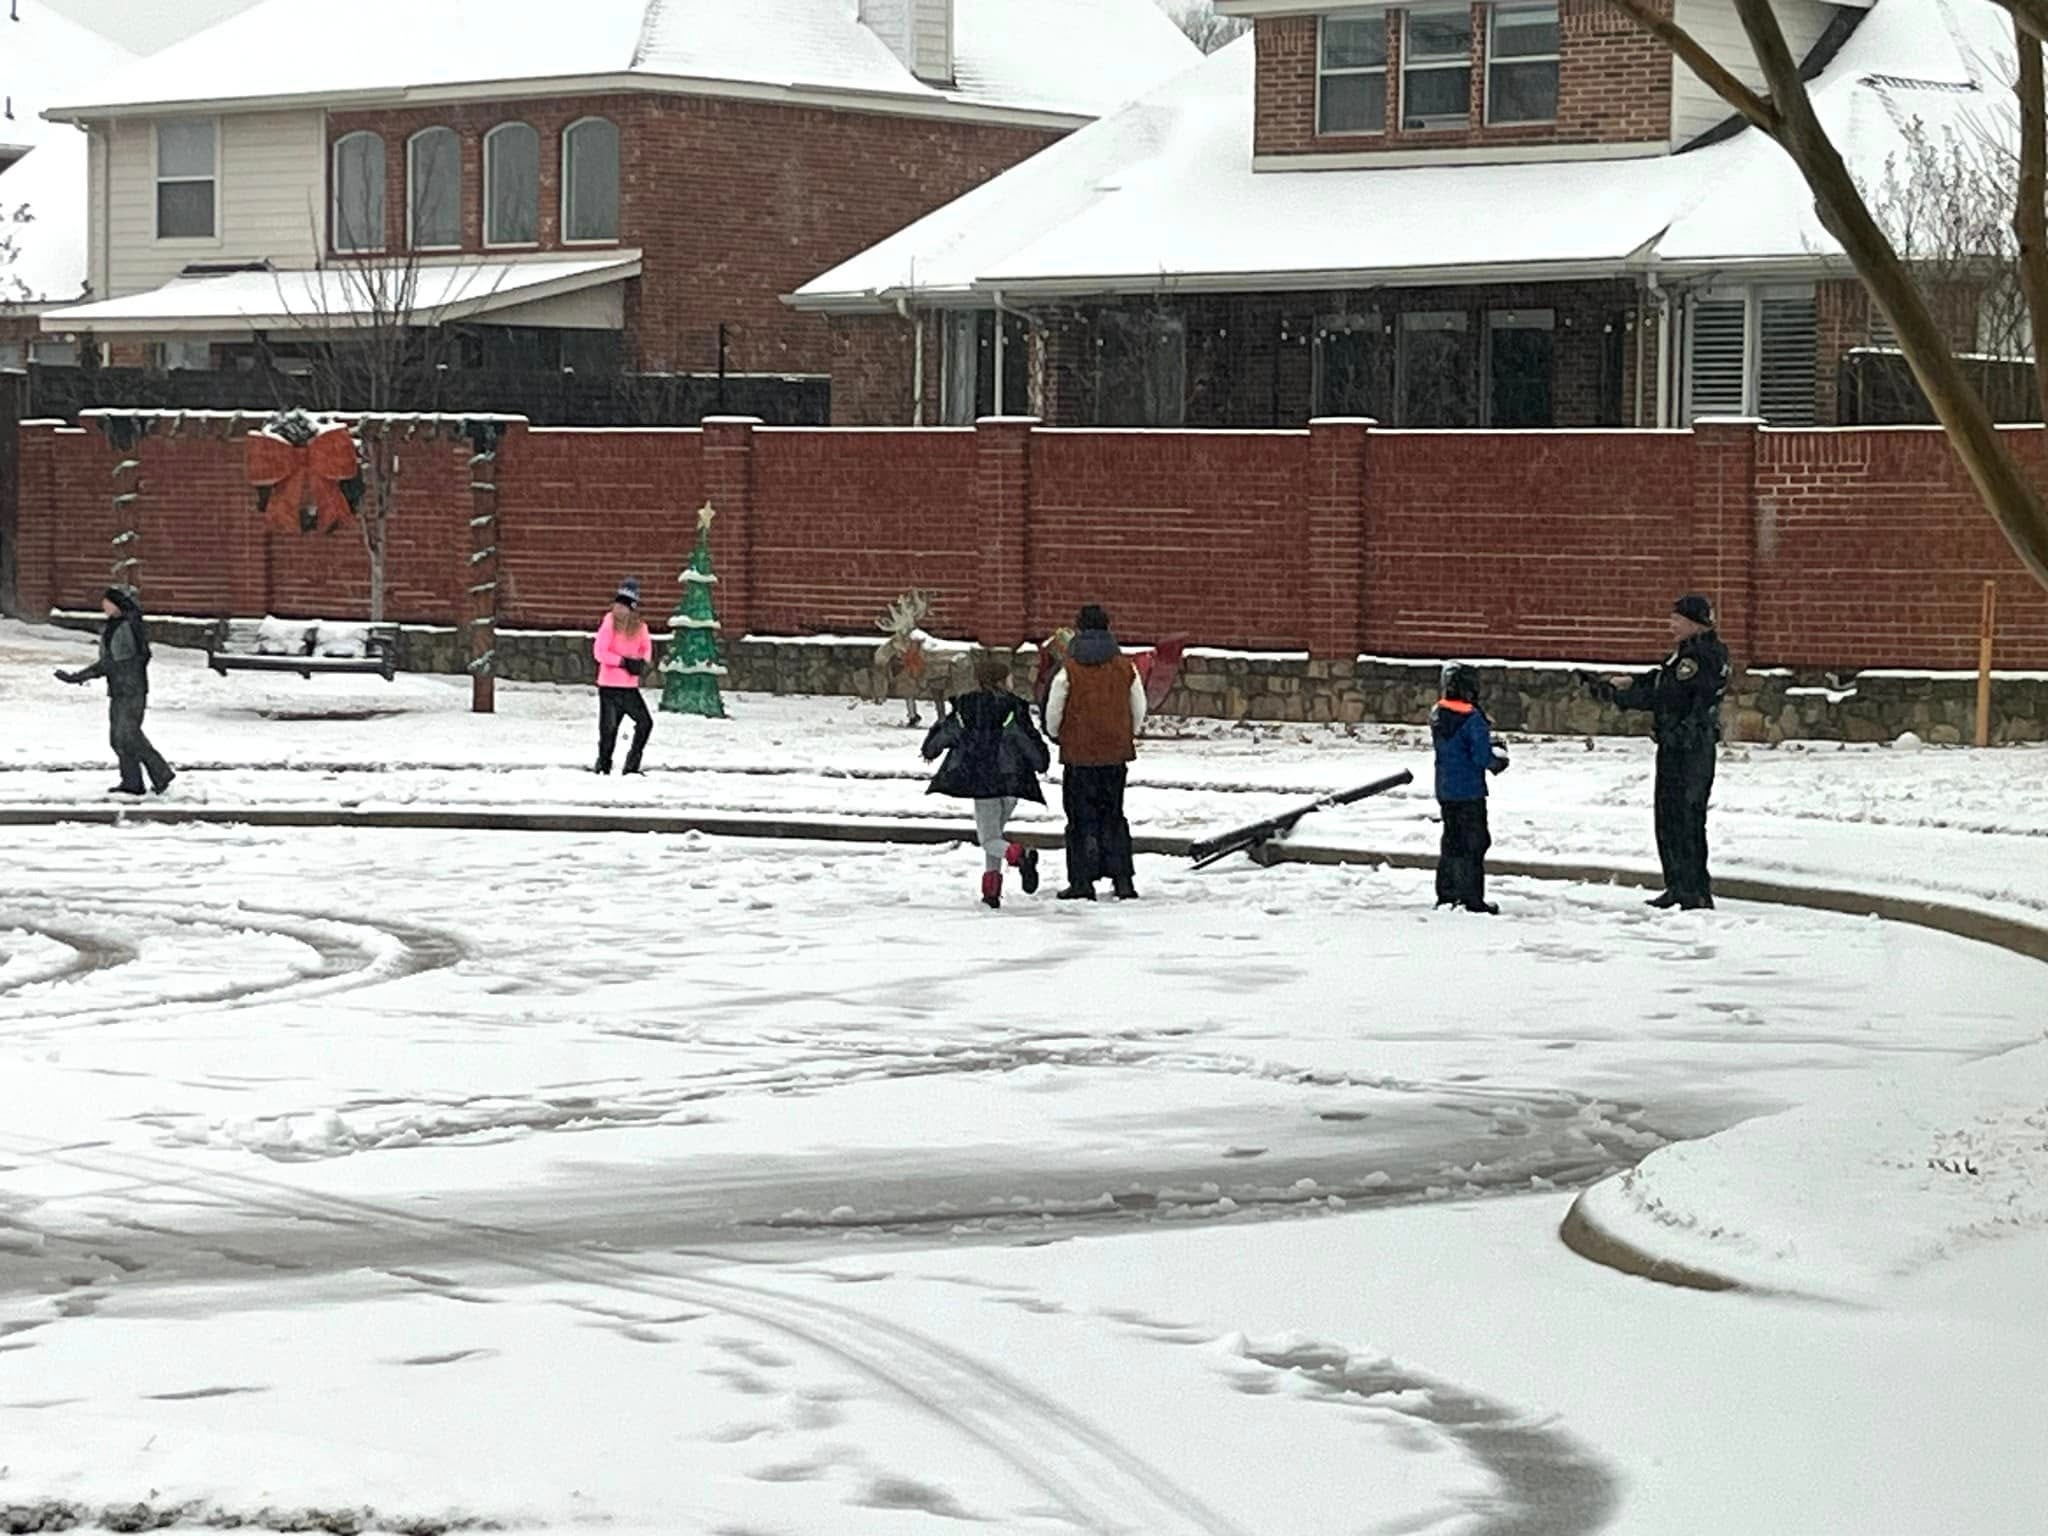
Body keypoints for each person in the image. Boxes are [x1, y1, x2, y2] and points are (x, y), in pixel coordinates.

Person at [1585, 593, 1732, 911]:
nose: (1671, 624)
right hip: (1676, 744)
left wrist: (1623, 696)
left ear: (1694, 623)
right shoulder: (1689, 653)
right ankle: (1678, 886)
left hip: (1688, 747)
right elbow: (1663, 680)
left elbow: (1670, 694)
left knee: (1685, 817)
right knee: (1669, 817)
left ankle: (1693, 891)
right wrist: (1628, 683)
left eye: (1677, 619)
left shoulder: (1701, 657)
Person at [921, 652, 1050, 909]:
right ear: (1002, 681)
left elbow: (947, 733)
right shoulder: (1014, 707)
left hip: (983, 782)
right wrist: (1040, 762)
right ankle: (991, 893)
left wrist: (930, 750)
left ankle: (1020, 856)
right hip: (1013, 782)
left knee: (989, 839)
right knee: (995, 835)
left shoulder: (967, 707)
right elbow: (1026, 739)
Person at [1045, 604, 1147, 901]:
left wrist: (1057, 735)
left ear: (1078, 628)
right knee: (1113, 815)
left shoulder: (1070, 668)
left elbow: (1055, 709)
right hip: (1115, 755)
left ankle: (1082, 881)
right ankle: (1123, 880)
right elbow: (1138, 707)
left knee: (1080, 818)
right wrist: (1125, 733)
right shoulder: (1125, 666)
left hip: (1078, 756)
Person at [55, 586, 176, 797]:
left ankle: (160, 772)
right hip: (122, 690)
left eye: (106, 602)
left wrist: (79, 677)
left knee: (128, 735)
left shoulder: (125, 627)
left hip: (130, 690)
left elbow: (116, 662)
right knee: (121, 738)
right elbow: (112, 662)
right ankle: (132, 782)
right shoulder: (117, 624)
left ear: (116, 604)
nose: (103, 606)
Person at [1431, 664, 1509, 914]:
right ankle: (1472, 898)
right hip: (1470, 791)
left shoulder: (1439, 713)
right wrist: (1498, 760)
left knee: (1451, 841)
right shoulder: (1472, 719)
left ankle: (1447, 894)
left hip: (1446, 789)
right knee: (1475, 843)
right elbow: (1480, 756)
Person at [593, 578, 654, 775]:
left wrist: (640, 661)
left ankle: (632, 764)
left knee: (645, 722)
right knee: (608, 730)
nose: (619, 609)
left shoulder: (640, 627)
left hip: (629, 687)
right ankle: (603, 765)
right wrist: (622, 662)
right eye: (617, 604)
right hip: (609, 686)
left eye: (624, 606)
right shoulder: (609, 623)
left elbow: (646, 649)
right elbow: (600, 652)